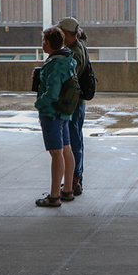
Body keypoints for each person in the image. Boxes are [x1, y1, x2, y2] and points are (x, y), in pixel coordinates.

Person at [34, 27, 78, 207]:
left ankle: (54, 196)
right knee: (66, 150)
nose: (43, 44)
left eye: (44, 41)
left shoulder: (54, 64)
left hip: (51, 113)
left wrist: (39, 104)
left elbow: (52, 92)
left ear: (50, 43)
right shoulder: (67, 60)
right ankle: (67, 189)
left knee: (56, 152)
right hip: (64, 112)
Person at [57, 17, 89, 196]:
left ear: (68, 34)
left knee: (73, 141)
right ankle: (75, 178)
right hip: (78, 101)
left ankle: (74, 179)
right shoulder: (80, 45)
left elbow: (68, 77)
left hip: (73, 102)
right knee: (76, 138)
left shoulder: (73, 53)